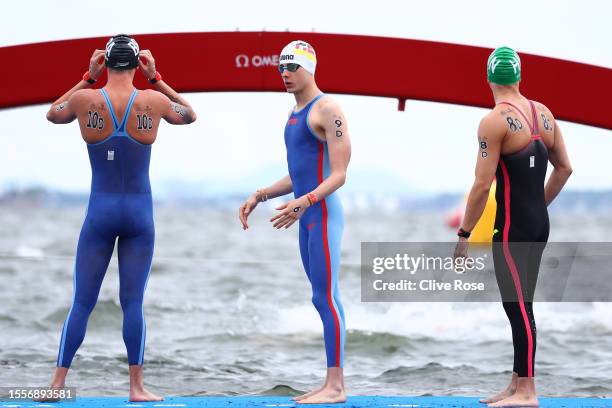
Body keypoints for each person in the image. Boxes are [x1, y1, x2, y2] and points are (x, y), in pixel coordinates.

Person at [41, 34, 196, 402]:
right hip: (140, 215)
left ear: (106, 63)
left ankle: (56, 386)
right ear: (136, 64)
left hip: (100, 212)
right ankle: (137, 388)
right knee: (133, 304)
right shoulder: (153, 101)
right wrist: (157, 78)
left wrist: (87, 77)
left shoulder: (85, 100)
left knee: (82, 302)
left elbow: (52, 112)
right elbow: (189, 114)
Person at [454, 46, 572, 407]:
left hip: (511, 229)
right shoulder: (544, 114)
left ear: (489, 79)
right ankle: (516, 383)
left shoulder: (494, 121)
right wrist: (539, 206)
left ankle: (528, 391)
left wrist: (463, 234)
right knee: (523, 304)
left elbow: (480, 185)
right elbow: (564, 168)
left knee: (516, 305)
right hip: (539, 224)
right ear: (519, 76)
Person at [238, 40, 351, 404]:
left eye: (292, 68)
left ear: (310, 69)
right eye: (281, 69)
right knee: (320, 298)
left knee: (328, 298)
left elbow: (339, 174)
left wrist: (305, 202)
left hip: (322, 215)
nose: (285, 74)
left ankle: (336, 386)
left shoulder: (328, 109)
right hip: (305, 216)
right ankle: (329, 381)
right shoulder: (295, 112)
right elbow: (298, 173)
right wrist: (261, 194)